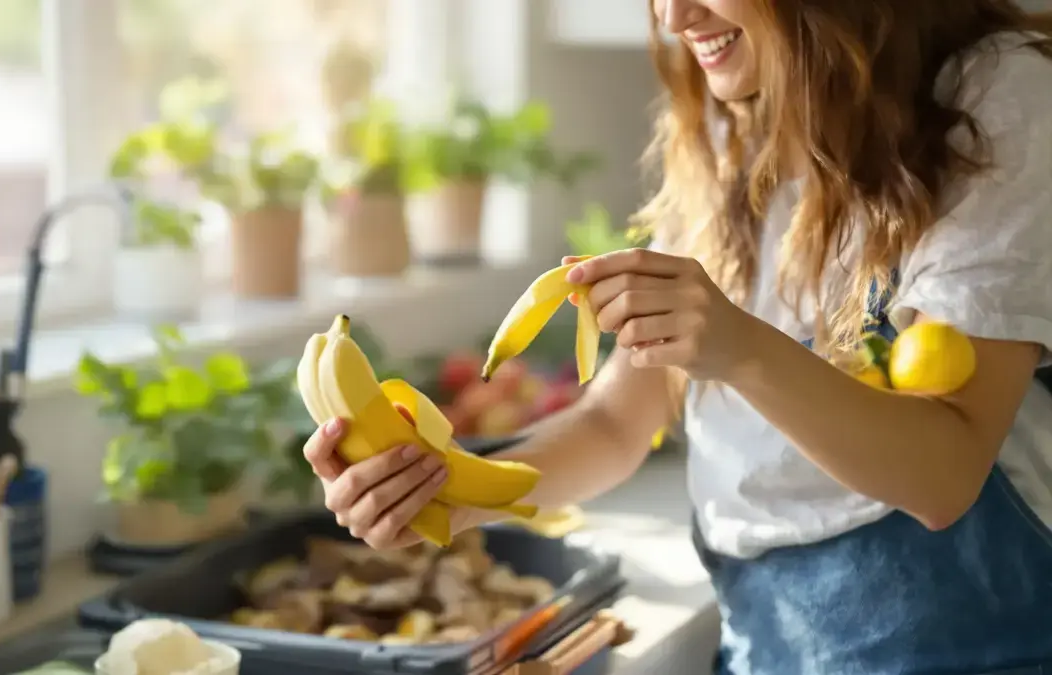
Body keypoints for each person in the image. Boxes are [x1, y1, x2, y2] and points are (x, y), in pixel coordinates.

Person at [302, 1, 1052, 673]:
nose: (672, 16)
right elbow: (615, 421)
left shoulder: (994, 95)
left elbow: (944, 474)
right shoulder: (729, 119)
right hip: (764, 643)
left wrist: (741, 347)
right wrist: (449, 493)